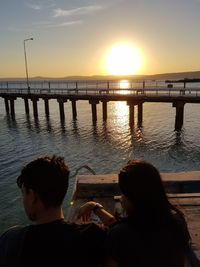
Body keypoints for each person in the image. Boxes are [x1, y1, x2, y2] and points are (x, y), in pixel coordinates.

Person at [78, 159, 191, 267]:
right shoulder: (177, 222)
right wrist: (95, 207)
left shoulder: (120, 235)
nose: (121, 198)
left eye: (123, 193)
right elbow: (121, 228)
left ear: (132, 198)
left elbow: (122, 233)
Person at [0, 155, 107, 267]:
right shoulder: (93, 235)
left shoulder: (11, 240)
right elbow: (118, 231)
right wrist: (95, 207)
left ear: (32, 196)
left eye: (23, 193)